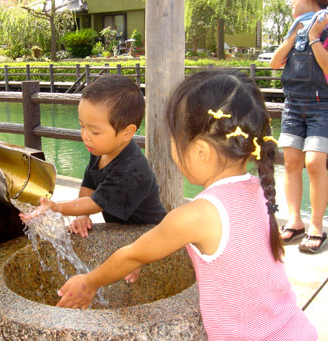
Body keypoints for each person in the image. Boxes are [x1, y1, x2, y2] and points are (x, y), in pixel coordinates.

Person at [56, 70, 317, 340]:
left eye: (173, 139)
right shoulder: (258, 189)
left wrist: (88, 282)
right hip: (296, 329)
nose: (171, 147)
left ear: (200, 151)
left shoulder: (198, 215)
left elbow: (132, 255)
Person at [20, 74, 166, 245]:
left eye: (95, 132)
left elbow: (95, 203)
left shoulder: (131, 170)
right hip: (123, 231)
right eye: (82, 126)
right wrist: (82, 215)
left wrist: (57, 207)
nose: (85, 136)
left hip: (152, 236)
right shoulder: (100, 149)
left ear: (127, 132)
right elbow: (89, 184)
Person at [270, 0, 328, 253]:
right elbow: (274, 63)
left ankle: (316, 225)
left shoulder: (325, 26)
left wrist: (314, 37)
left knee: (315, 162)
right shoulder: (294, 28)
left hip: (322, 106)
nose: (291, 2)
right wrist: (295, 34)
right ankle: (295, 221)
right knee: (292, 162)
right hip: (293, 105)